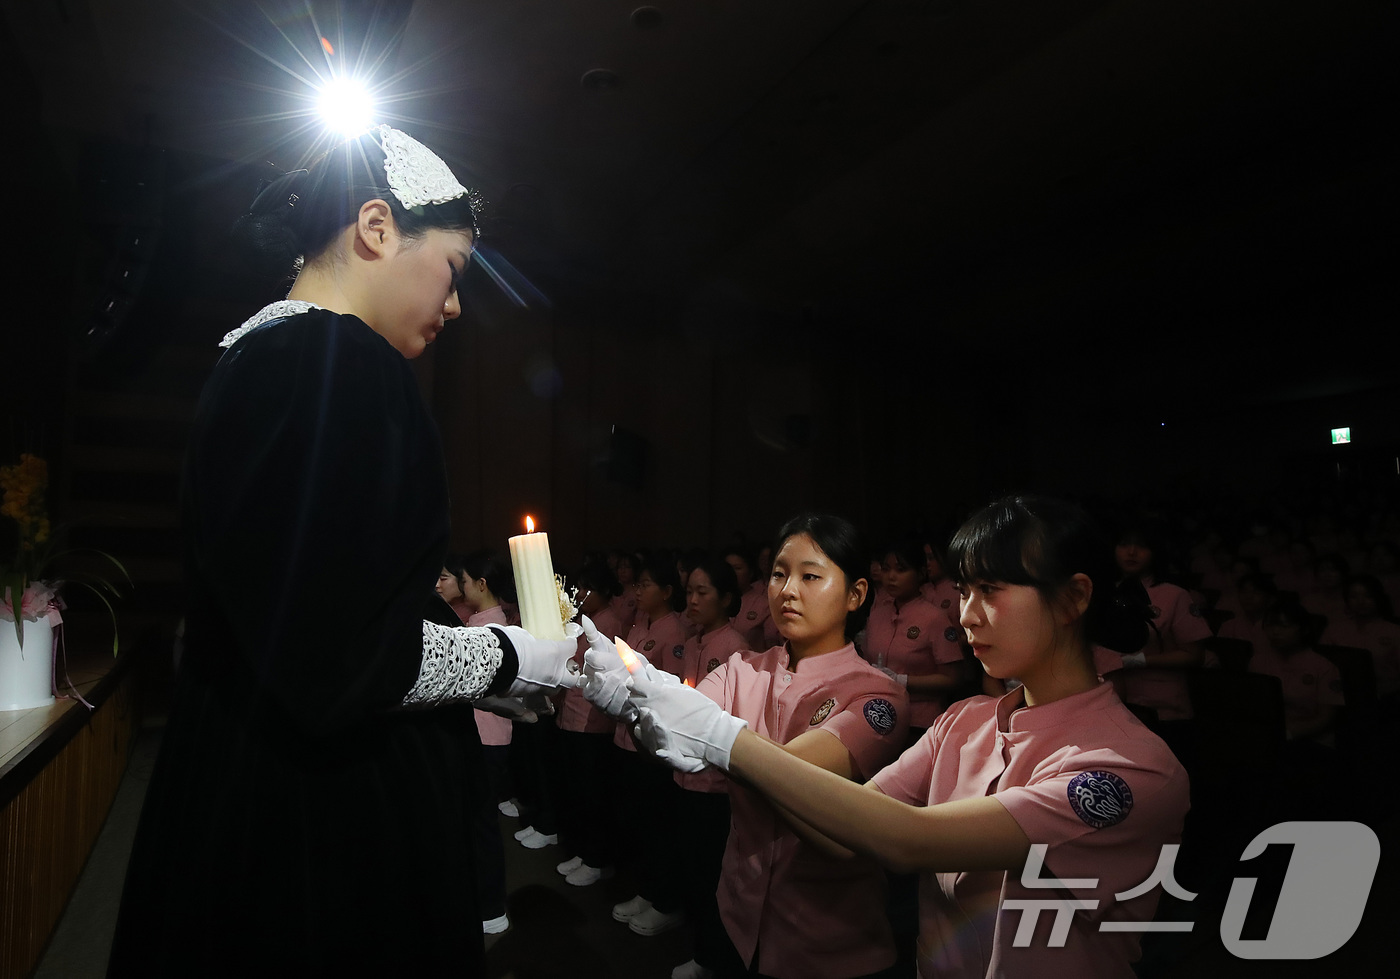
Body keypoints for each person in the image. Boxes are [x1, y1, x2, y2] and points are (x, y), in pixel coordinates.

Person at [107, 125, 579, 977]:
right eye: (454, 269)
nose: (456, 305)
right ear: (375, 227)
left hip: (241, 780)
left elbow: (308, 608)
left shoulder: (257, 355)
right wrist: (506, 657)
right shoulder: (336, 361)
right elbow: (341, 659)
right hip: (320, 820)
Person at [591, 496, 1188, 979]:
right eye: (964, 592)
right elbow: (850, 835)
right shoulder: (967, 722)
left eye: (993, 591)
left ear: (1073, 597)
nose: (967, 615)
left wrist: (723, 740)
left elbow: (907, 840)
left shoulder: (1128, 767)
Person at [631, 515, 911, 979]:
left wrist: (710, 736)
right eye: (779, 573)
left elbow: (795, 774)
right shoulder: (745, 666)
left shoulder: (877, 694)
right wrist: (633, 694)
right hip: (740, 910)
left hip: (826, 934)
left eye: (811, 576)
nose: (787, 590)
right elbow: (680, 719)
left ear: (856, 594)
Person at [864, 536, 968, 741]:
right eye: (886, 569)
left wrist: (902, 680)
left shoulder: (935, 618)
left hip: (919, 720)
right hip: (877, 713)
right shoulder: (878, 613)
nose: (891, 577)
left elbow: (953, 678)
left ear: (920, 573)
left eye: (901, 570)